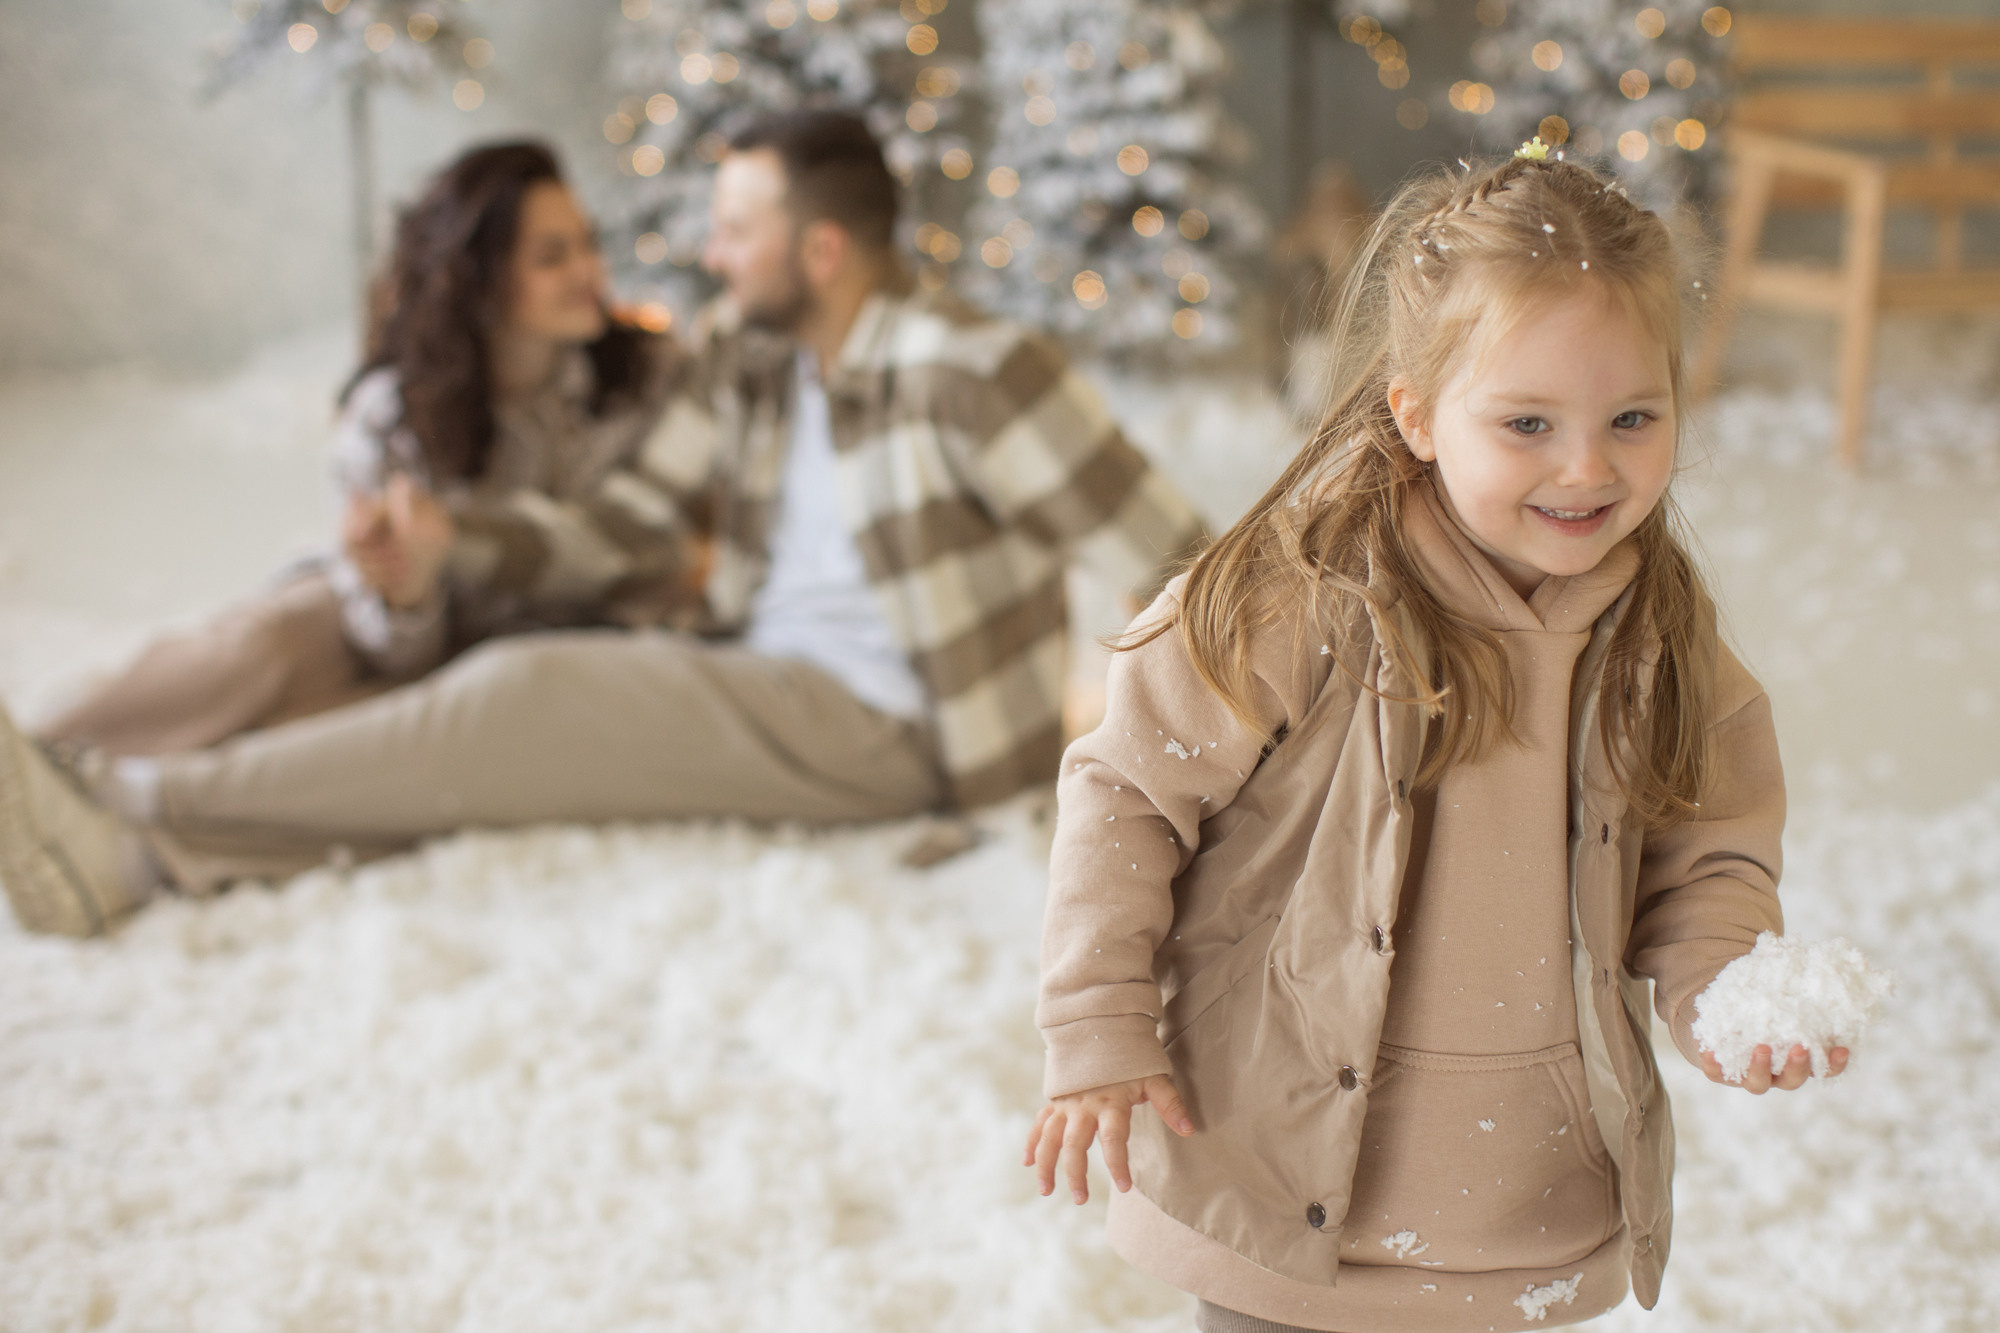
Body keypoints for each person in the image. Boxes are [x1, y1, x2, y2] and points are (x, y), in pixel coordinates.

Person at [0, 110, 1203, 937]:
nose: (706, 255)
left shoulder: (975, 371)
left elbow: (1180, 559)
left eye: (735, 229)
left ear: (821, 248)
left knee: (520, 699)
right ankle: (135, 852)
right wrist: (457, 549)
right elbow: (625, 521)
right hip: (763, 675)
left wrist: (1189, 771)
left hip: (897, 734)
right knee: (473, 742)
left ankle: (125, 802)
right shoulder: (748, 359)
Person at [1025, 143, 1847, 1333]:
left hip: (1527, 1189)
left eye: (1631, 416)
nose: (1585, 465)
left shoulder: (1659, 639)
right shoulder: (1297, 596)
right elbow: (1126, 793)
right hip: (1288, 1174)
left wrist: (1720, 986)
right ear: (1413, 413)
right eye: (1525, 422)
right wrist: (1095, 1020)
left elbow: (1706, 850)